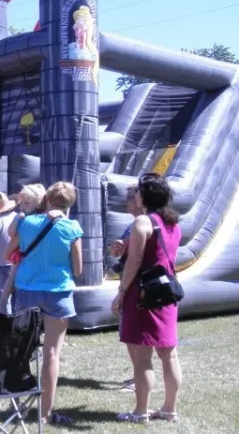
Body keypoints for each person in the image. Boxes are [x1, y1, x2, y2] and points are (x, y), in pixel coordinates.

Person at [1, 181, 83, 425]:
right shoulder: (72, 227)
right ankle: (45, 413)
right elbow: (78, 269)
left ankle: (16, 405)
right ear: (69, 204)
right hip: (58, 292)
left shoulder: (26, 223)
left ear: (46, 199)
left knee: (21, 350)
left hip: (26, 290)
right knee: (52, 354)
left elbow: (8, 255)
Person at [112, 174, 183, 424]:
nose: (134, 196)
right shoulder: (172, 222)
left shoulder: (143, 221)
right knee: (169, 354)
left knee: (142, 357)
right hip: (166, 292)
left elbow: (136, 261)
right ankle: (169, 409)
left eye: (138, 192)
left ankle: (140, 412)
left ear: (145, 195)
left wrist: (121, 292)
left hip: (142, 294)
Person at [110, 186, 141, 394]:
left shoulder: (140, 226)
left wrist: (121, 291)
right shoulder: (134, 226)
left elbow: (134, 259)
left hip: (133, 288)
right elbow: (123, 254)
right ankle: (138, 375)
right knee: (131, 335)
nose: (126, 202)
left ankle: (139, 379)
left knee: (133, 336)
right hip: (132, 286)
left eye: (130, 198)